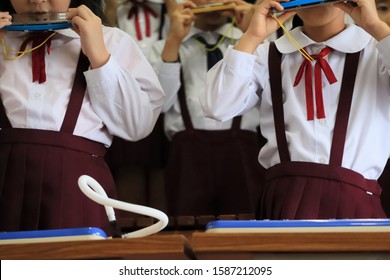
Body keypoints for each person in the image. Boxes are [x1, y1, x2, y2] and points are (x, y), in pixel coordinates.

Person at [202, 0, 390, 219]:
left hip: (355, 199)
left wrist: (375, 26)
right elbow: (216, 106)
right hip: (285, 199)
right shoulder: (267, 54)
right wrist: (252, 37)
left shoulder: (376, 52)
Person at [0, 0, 165, 233]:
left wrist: (99, 56)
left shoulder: (111, 40)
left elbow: (136, 126)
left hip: (80, 186)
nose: (37, 1)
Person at [148, 0, 266, 222]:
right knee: (186, 226)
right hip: (187, 155)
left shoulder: (255, 45)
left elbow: (273, 98)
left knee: (243, 230)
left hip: (242, 150)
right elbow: (160, 105)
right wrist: (173, 41)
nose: (213, 1)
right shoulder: (163, 46)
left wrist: (252, 35)